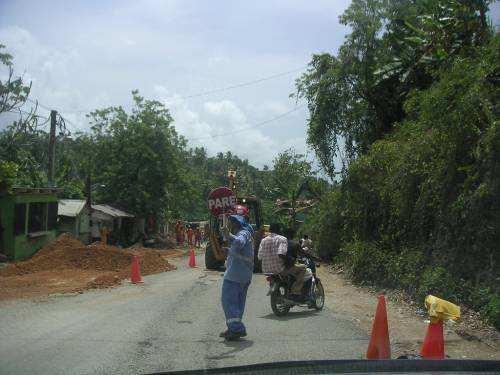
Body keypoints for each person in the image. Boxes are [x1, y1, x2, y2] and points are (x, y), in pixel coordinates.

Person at [219, 214, 254, 341]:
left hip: (235, 275)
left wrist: (229, 237)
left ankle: (236, 329)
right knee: (237, 303)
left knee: (228, 301)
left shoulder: (243, 233)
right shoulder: (246, 233)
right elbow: (238, 247)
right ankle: (233, 327)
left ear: (235, 223)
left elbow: (239, 242)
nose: (229, 224)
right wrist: (229, 243)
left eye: (231, 222)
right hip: (244, 275)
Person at [258, 223, 307, 299]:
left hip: (266, 270)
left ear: (270, 230)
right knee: (303, 268)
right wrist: (292, 260)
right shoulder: (282, 239)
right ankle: (295, 290)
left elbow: (259, 257)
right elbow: (281, 254)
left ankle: (274, 287)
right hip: (280, 269)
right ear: (279, 230)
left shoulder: (263, 240)